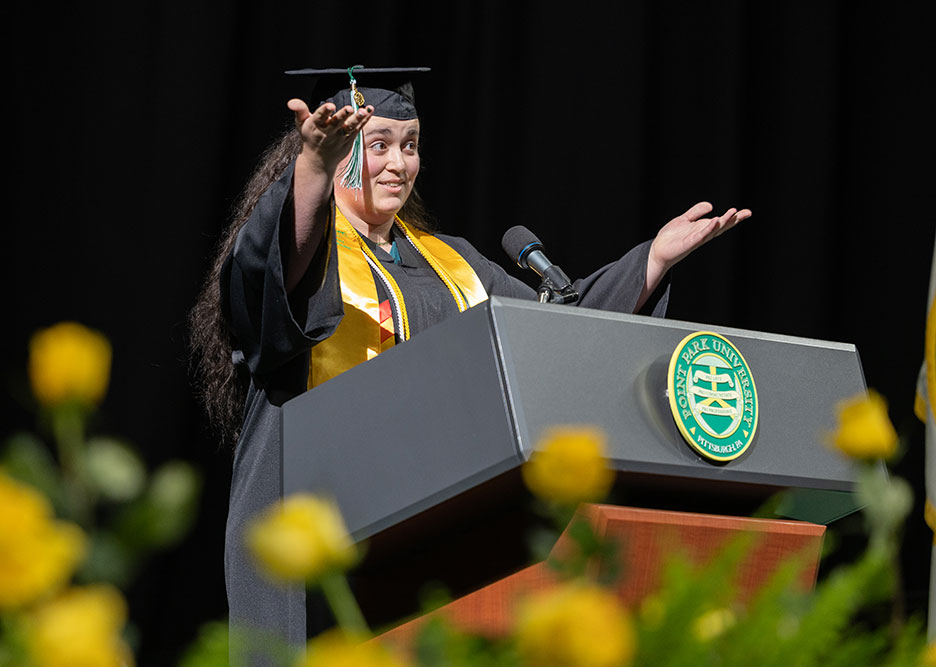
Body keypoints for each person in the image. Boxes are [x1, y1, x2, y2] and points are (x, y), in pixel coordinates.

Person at [189, 66, 751, 656]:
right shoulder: (305, 251)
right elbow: (272, 267)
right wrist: (311, 171)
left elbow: (554, 330)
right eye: (378, 145)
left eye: (410, 146)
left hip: (430, 526)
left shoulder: (451, 262)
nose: (398, 164)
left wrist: (653, 260)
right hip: (315, 518)